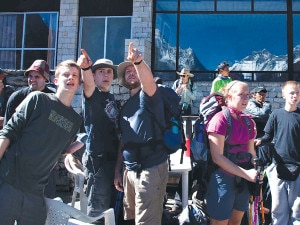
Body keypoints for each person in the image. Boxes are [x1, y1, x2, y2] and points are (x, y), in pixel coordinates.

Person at [0, 60, 82, 225]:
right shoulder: (37, 99)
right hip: (9, 183)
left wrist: (79, 144)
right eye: (66, 74)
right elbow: (7, 133)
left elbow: (57, 153)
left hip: (36, 193)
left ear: (79, 83)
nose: (70, 78)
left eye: (74, 75)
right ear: (56, 80)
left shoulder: (75, 120)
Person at [114, 42, 169, 225]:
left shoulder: (150, 96)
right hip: (129, 170)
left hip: (150, 168)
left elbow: (149, 83)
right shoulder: (125, 107)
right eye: (127, 71)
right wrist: (118, 171)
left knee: (147, 222)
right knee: (130, 219)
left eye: (134, 70)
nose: (131, 73)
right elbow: (124, 141)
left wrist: (138, 63)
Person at [205, 81, 258, 225]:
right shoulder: (220, 119)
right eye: (241, 94)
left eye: (248, 95)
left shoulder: (249, 122)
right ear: (229, 96)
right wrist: (247, 174)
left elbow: (251, 152)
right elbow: (217, 157)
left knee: (236, 222)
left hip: (243, 180)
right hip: (222, 179)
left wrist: (256, 167)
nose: (246, 98)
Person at [77, 49, 120, 218]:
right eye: (101, 71)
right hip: (98, 161)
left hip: (112, 160)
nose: (106, 75)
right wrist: (86, 69)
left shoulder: (111, 97)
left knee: (109, 208)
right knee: (97, 210)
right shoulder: (92, 95)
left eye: (109, 71)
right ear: (94, 76)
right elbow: (87, 84)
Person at [255, 81, 300, 225]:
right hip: (277, 167)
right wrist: (257, 141)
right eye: (291, 93)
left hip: (298, 169)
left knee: (297, 210)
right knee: (278, 209)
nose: (295, 95)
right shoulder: (276, 114)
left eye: (297, 93)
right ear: (283, 95)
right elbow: (267, 137)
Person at [4, 59, 56, 125]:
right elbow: (7, 125)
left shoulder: (52, 99)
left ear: (45, 79)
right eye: (30, 76)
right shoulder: (17, 97)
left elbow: (58, 126)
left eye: (37, 77)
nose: (32, 80)